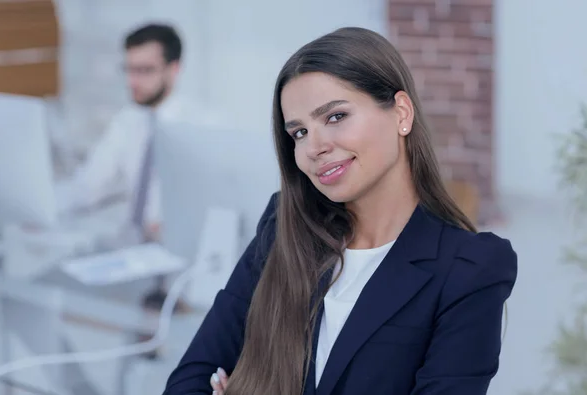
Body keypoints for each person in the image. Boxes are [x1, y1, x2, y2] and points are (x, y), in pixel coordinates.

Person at [163, 27, 518, 395]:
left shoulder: (469, 269)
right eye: (298, 132)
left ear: (401, 113)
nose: (314, 147)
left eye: (335, 117)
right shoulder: (284, 225)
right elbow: (190, 379)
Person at [56, 23, 218, 243]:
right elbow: (88, 186)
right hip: (131, 245)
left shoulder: (204, 126)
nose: (132, 81)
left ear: (173, 69)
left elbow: (215, 206)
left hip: (181, 246)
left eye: (144, 70)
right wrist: (42, 210)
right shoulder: (127, 120)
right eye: (129, 69)